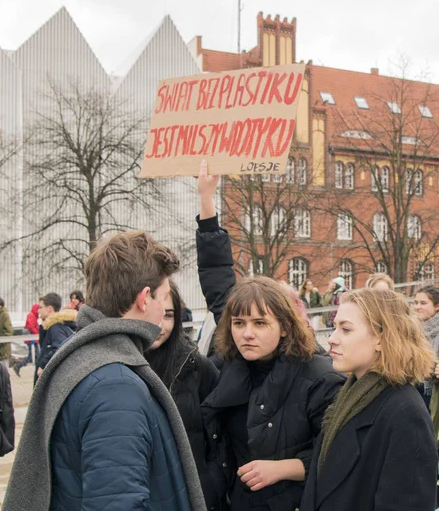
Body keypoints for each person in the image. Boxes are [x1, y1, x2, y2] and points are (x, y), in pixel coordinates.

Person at [3, 231, 207, 511]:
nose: (164, 310)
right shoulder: (116, 387)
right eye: (163, 297)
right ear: (144, 299)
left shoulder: (84, 356)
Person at [196, 160, 345, 511]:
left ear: (285, 326)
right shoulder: (231, 358)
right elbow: (217, 277)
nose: (247, 333)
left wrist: (285, 469)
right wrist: (206, 201)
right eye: (239, 323)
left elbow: (340, 452)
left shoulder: (320, 376)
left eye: (260, 324)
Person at [300, 288, 437, 511]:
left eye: (345, 329)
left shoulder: (404, 412)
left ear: (382, 340)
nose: (332, 339)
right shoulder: (350, 396)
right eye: (335, 327)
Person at [145, 279, 219, 506]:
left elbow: (217, 440)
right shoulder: (117, 367)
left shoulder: (198, 367)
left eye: (168, 315)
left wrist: (212, 486)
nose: (160, 325)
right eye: (153, 313)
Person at [34, 293, 78, 384]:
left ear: (49, 308)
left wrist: (43, 366)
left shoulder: (56, 328)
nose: (38, 311)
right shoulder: (52, 327)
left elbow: (59, 347)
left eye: (41, 307)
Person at [414, 286, 439, 419]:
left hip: (433, 392)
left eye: (423, 303)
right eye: (416, 302)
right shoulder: (414, 330)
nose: (417, 307)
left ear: (437, 306)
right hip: (415, 388)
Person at [14, 303, 40, 377]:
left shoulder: (33, 316)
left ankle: (19, 366)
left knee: (34, 355)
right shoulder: (31, 315)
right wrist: (37, 334)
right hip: (31, 339)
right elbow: (31, 327)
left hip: (32, 338)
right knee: (33, 355)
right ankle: (18, 366)